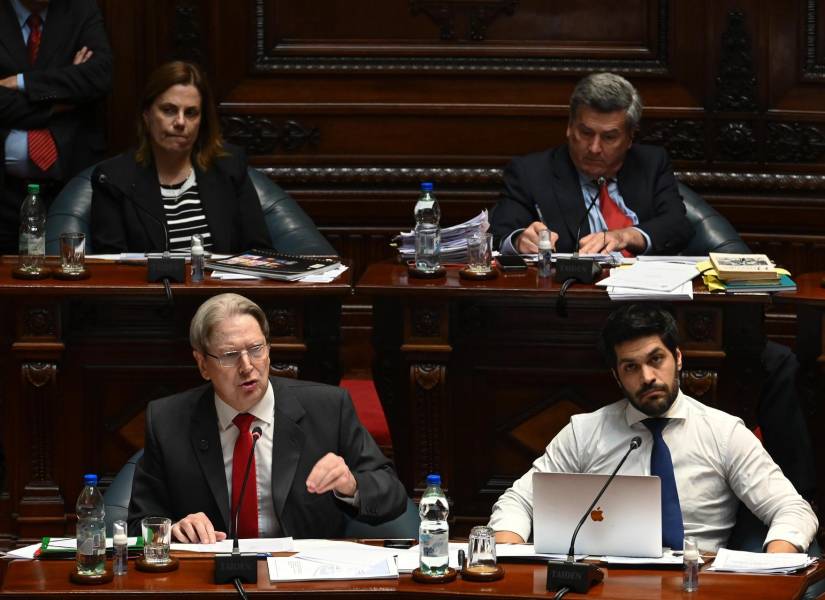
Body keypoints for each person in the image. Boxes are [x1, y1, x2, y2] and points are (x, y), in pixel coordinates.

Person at [489, 304, 817, 553]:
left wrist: (771, 571)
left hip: (698, 583)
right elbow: (518, 501)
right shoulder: (584, 433)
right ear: (617, 377)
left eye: (656, 359)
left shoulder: (724, 433)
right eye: (631, 367)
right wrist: (509, 556)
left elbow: (793, 509)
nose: (647, 377)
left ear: (678, 358)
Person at [127, 293, 407, 542]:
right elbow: (138, 525)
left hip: (303, 573)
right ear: (203, 364)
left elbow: (392, 494)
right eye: (230, 355)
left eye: (256, 349)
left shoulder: (328, 409)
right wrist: (173, 529)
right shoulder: (167, 421)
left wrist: (352, 485)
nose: (247, 366)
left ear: (269, 350)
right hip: (211, 574)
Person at [490, 72, 693, 256]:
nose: (594, 148)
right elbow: (499, 234)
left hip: (645, 283)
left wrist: (625, 236)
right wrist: (519, 240)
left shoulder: (651, 163)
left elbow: (678, 226)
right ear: (570, 127)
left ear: (630, 137)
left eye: (609, 137)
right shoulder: (531, 173)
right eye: (586, 133)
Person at [91, 61, 272, 254]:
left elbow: (260, 252)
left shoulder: (229, 167)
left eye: (191, 113)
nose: (180, 122)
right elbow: (110, 265)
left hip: (221, 275)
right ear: (147, 115)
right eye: (168, 110)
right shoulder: (114, 179)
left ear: (202, 120)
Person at [0, 0, 112, 254]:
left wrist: (22, 82)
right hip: (5, 193)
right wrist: (63, 101)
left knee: (70, 272)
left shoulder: (81, 10)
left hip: (69, 187)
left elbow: (100, 76)